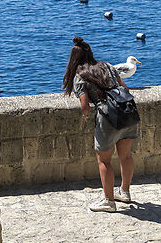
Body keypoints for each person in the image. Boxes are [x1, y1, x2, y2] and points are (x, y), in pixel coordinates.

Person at [67, 38, 136, 212]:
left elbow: (84, 104)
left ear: (74, 59)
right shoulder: (107, 66)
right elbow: (124, 88)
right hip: (127, 112)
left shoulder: (80, 75)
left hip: (108, 116)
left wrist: (85, 116)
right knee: (125, 156)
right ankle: (125, 192)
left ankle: (109, 201)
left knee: (104, 160)